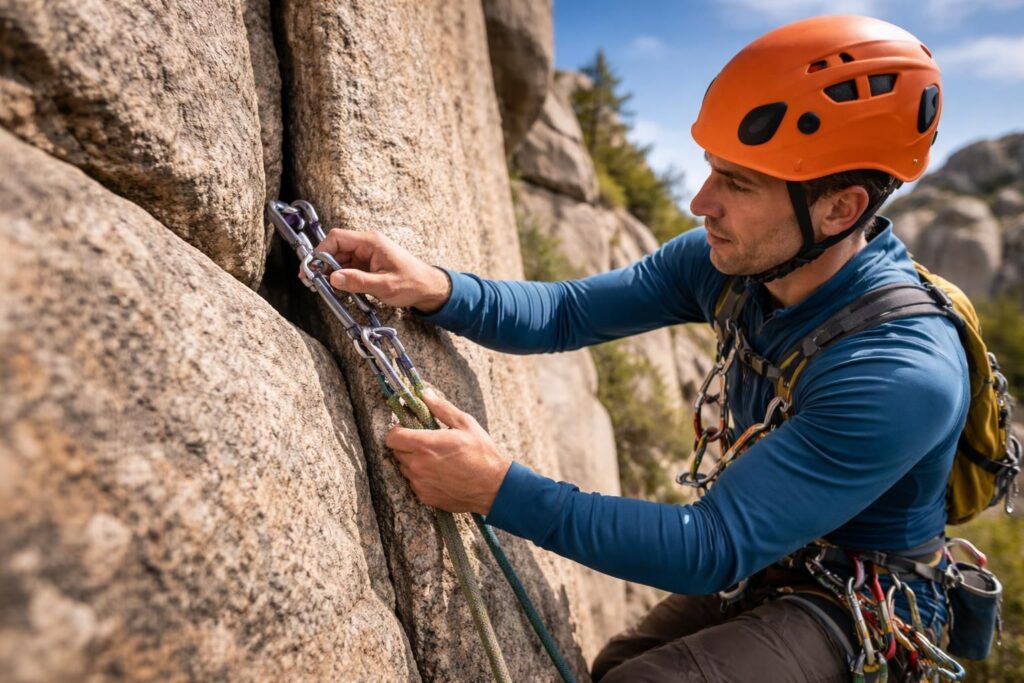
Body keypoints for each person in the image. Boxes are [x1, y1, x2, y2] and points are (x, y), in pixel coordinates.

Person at [310, 15, 963, 682]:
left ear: (837, 209)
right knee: (616, 664)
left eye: (737, 183)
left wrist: (496, 488)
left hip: (863, 599)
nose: (699, 201)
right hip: (776, 551)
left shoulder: (901, 370)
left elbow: (712, 545)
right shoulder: (732, 263)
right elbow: (568, 313)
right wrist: (437, 287)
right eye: (712, 170)